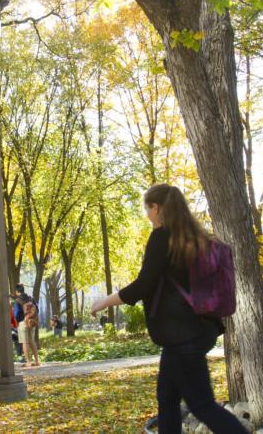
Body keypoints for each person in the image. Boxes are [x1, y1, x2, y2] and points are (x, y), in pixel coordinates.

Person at [90, 184, 248, 434]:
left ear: (157, 207)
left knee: (201, 404)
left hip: (182, 335)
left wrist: (104, 302)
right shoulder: (192, 238)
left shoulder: (163, 237)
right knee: (167, 400)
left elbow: (144, 285)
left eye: (148, 208)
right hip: (197, 329)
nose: (147, 214)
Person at [20, 295, 40, 367]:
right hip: (32, 323)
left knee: (25, 342)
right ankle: (37, 361)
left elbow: (18, 314)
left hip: (24, 323)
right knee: (32, 341)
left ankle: (28, 362)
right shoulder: (33, 304)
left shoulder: (24, 305)